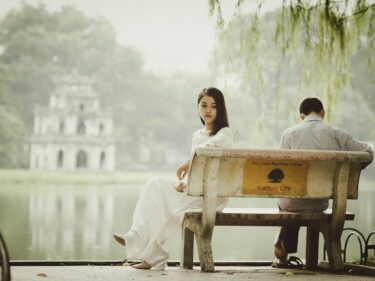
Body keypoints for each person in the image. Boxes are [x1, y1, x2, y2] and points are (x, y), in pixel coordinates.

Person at [113, 87, 234, 270]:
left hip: (212, 196)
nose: (208, 110)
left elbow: (208, 151)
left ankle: (147, 249)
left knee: (161, 199)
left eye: (213, 106)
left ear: (220, 109)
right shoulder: (197, 135)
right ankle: (148, 250)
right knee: (155, 188)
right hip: (194, 191)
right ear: (198, 108)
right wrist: (183, 183)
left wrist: (187, 162)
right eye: (203, 105)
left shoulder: (224, 133)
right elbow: (197, 169)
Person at [273, 97, 373, 268]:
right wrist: (351, 174)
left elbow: (283, 170)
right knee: (304, 201)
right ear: (322, 113)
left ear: (301, 116)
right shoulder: (337, 133)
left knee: (288, 203)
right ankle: (295, 252)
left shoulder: (289, 133)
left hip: (291, 203)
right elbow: (367, 152)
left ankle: (284, 251)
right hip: (320, 203)